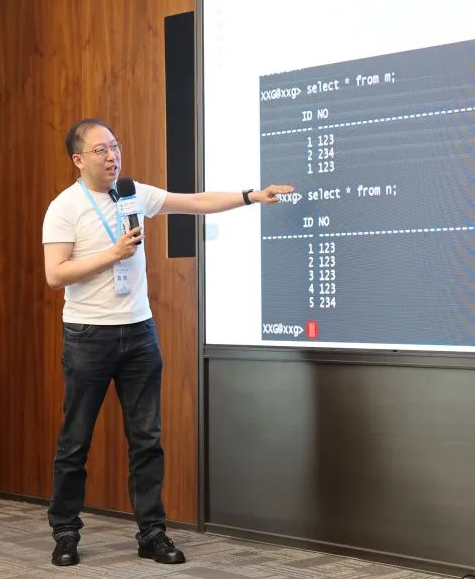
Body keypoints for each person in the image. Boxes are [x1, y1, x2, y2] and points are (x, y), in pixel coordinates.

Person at [42, 118, 293, 567]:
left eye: (115, 146)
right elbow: (55, 274)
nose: (112, 156)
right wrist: (112, 254)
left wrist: (251, 196)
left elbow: (194, 201)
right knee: (75, 439)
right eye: (100, 150)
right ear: (78, 160)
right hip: (88, 336)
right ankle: (65, 532)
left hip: (139, 333)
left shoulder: (133, 194)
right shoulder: (64, 207)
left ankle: (152, 534)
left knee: (147, 439)